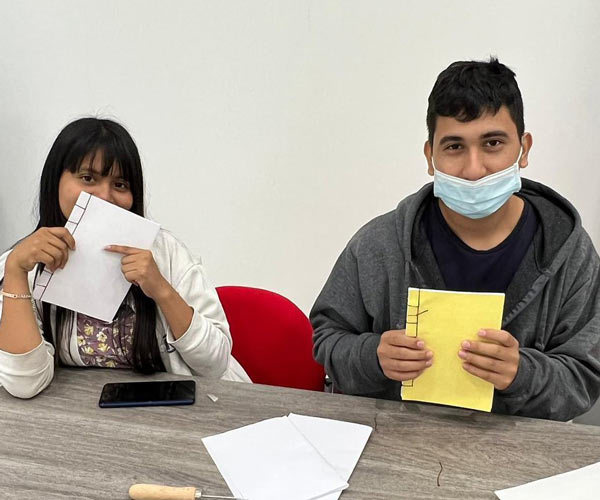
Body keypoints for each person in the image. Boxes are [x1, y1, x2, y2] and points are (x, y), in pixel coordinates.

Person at [311, 58, 600, 421]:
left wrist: (522, 374)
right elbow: (327, 338)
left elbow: (586, 378)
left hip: (520, 454)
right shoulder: (378, 245)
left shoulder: (570, 255)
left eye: (493, 143)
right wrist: (373, 357)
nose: (474, 169)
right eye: (454, 147)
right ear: (430, 156)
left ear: (523, 149)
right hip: (401, 444)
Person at [0, 117, 251, 398]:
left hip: (177, 410)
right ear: (55, 180)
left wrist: (161, 290)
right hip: (76, 419)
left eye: (120, 184)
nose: (105, 196)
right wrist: (14, 273)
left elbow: (215, 365)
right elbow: (24, 384)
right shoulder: (24, 264)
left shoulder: (166, 252)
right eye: (88, 178)